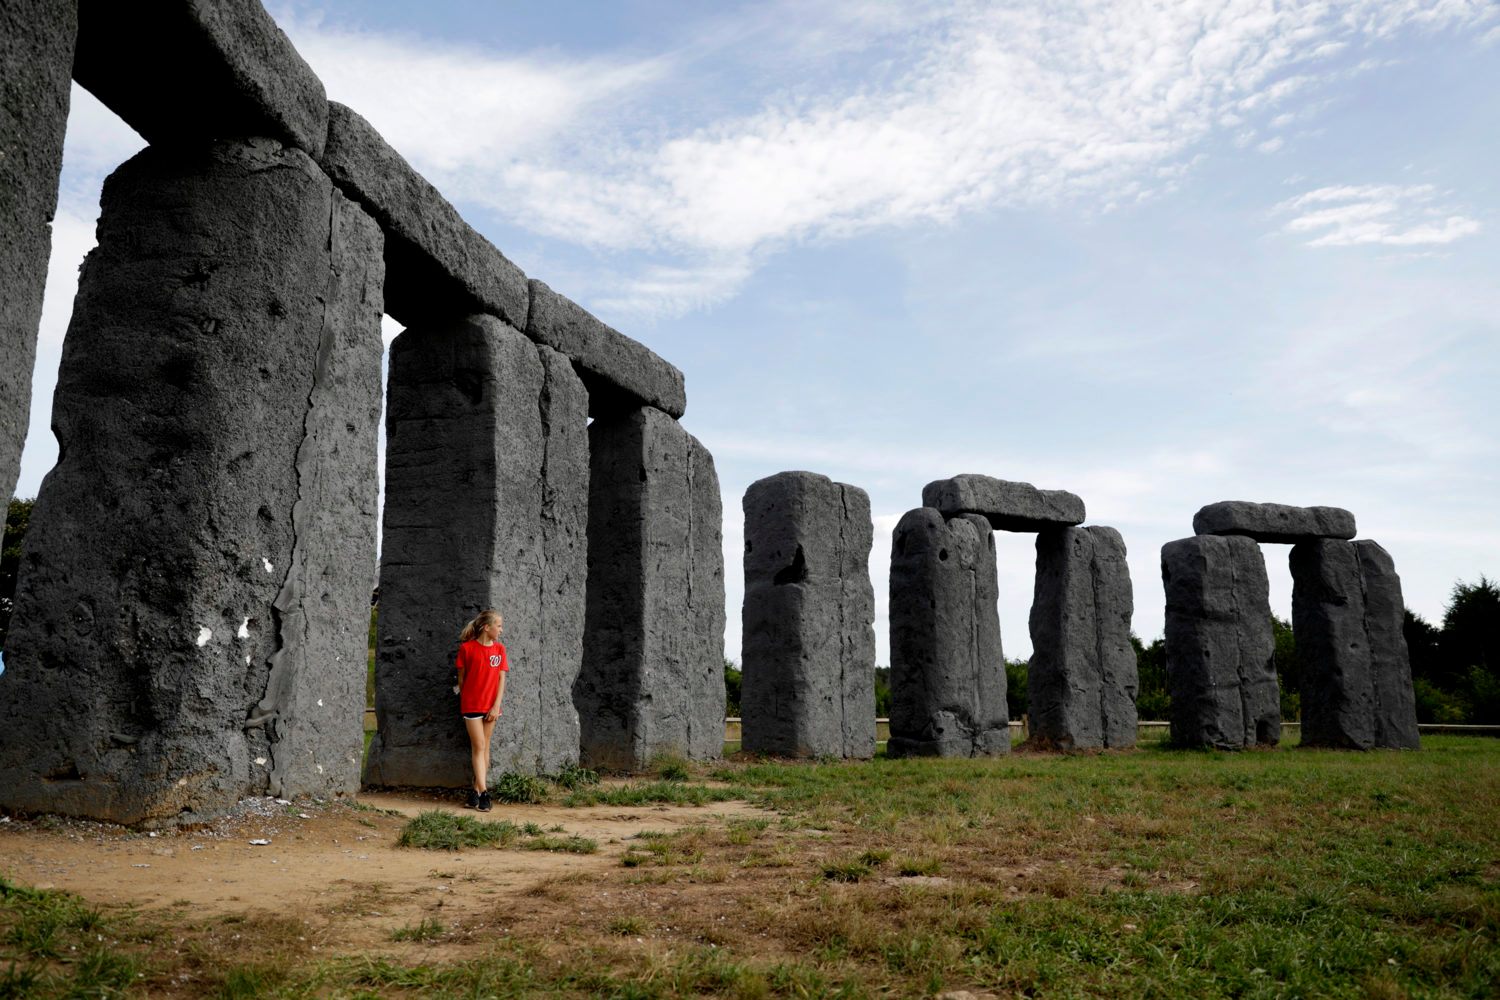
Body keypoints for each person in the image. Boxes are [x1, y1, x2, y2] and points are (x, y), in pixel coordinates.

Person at [454, 609, 507, 810]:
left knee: (485, 747)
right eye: (499, 626)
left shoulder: (500, 650)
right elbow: (462, 678)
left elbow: (501, 680)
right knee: (479, 746)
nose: (501, 630)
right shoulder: (467, 649)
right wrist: (469, 697)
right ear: (487, 627)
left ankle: (475, 793)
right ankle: (484, 793)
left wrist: (496, 706)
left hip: (491, 707)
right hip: (472, 705)